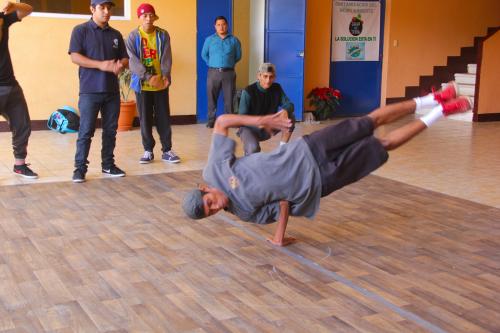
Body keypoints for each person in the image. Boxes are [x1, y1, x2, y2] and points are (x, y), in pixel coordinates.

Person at [182, 82, 473, 246]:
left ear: (205, 188)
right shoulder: (243, 212)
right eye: (211, 213)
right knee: (382, 146)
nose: (216, 208)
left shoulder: (215, 170)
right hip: (322, 180)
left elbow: (222, 121)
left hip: (309, 148)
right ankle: (442, 112)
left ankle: (432, 98)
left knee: (369, 121)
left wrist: (263, 121)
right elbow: (283, 205)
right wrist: (279, 237)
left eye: (209, 202)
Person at [68, 0, 129, 183]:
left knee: (110, 130)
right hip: (89, 91)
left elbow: (125, 58)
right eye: (102, 8)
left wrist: (120, 65)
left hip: (112, 91)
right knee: (86, 131)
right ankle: (79, 169)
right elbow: (75, 56)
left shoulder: (116, 34)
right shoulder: (81, 30)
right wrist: (101, 65)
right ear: (92, 9)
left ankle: (108, 165)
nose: (106, 11)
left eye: (109, 8)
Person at [126, 3, 180, 165]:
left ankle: (167, 150)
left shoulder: (163, 35)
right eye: (145, 16)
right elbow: (132, 60)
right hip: (143, 85)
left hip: (160, 84)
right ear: (139, 18)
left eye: (151, 15)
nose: (148, 19)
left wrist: (165, 76)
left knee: (163, 117)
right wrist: (148, 77)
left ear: (155, 17)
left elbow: (166, 57)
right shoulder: (133, 36)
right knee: (145, 118)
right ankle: (148, 150)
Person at [0, 1, 37, 179]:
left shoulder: (2, 20)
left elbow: (29, 10)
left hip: (11, 86)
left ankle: (19, 165)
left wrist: (14, 4)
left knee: (22, 125)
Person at [238, 63, 295, 155]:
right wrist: (258, 123)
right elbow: (241, 118)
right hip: (249, 129)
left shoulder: (277, 88)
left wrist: (285, 110)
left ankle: (282, 150)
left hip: (269, 125)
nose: (268, 80)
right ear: (259, 76)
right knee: (253, 149)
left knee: (290, 117)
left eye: (271, 77)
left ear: (274, 77)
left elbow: (290, 104)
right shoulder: (248, 91)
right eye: (265, 76)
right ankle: (248, 158)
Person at [201, 16, 241, 128]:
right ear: (215, 26)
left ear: (227, 25)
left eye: (223, 24)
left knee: (229, 98)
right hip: (213, 73)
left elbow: (238, 56)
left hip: (229, 73)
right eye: (218, 25)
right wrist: (212, 64)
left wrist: (228, 64)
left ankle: (229, 121)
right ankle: (211, 121)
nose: (221, 27)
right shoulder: (209, 40)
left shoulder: (234, 40)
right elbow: (204, 54)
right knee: (211, 97)